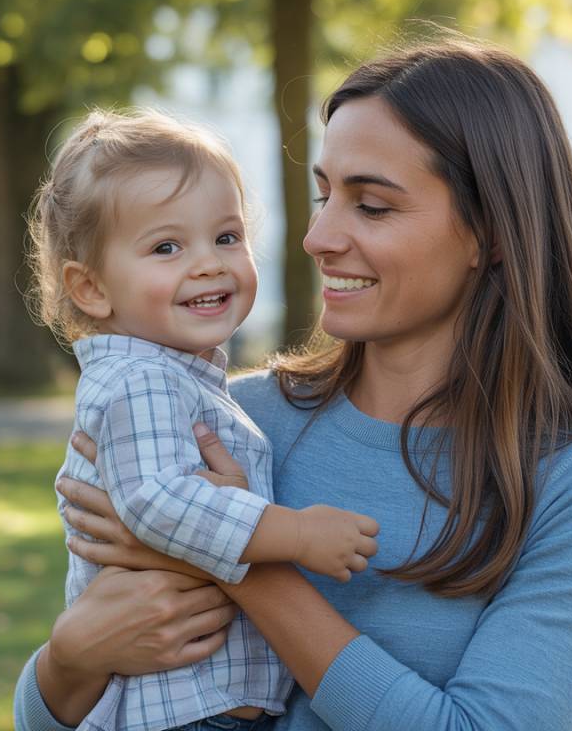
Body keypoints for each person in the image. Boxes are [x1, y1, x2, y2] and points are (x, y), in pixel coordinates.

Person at [16, 36, 572, 731]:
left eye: (371, 206)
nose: (317, 237)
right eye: (324, 195)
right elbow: (68, 705)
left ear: (491, 233)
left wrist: (237, 561)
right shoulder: (232, 419)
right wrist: (68, 659)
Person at [25, 108, 380, 731]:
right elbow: (158, 502)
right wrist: (297, 534)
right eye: (167, 247)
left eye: (227, 237)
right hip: (183, 709)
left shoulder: (179, 379)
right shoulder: (141, 381)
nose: (210, 264)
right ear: (91, 289)